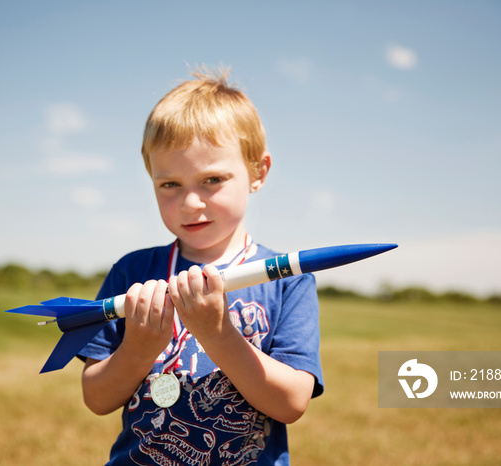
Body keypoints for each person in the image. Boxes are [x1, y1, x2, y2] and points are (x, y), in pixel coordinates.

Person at [79, 67, 323, 465]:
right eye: (170, 184)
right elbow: (96, 399)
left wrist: (218, 334)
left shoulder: (287, 280)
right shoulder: (131, 271)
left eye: (212, 179)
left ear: (258, 172)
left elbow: (292, 403)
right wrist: (138, 350)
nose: (191, 203)